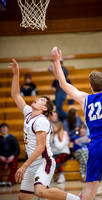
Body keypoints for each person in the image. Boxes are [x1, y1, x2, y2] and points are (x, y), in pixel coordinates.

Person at [52, 46, 102, 200]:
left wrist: (56, 62)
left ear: (90, 86)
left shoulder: (84, 99)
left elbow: (63, 84)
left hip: (94, 145)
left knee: (90, 189)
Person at [8, 59, 80, 200]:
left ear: (44, 108)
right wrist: (16, 73)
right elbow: (15, 95)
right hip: (32, 163)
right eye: (39, 98)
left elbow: (41, 147)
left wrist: (24, 166)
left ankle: (77, 199)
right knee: (23, 198)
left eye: (42, 100)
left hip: (43, 161)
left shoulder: (41, 121)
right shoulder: (28, 112)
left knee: (40, 191)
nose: (38, 99)